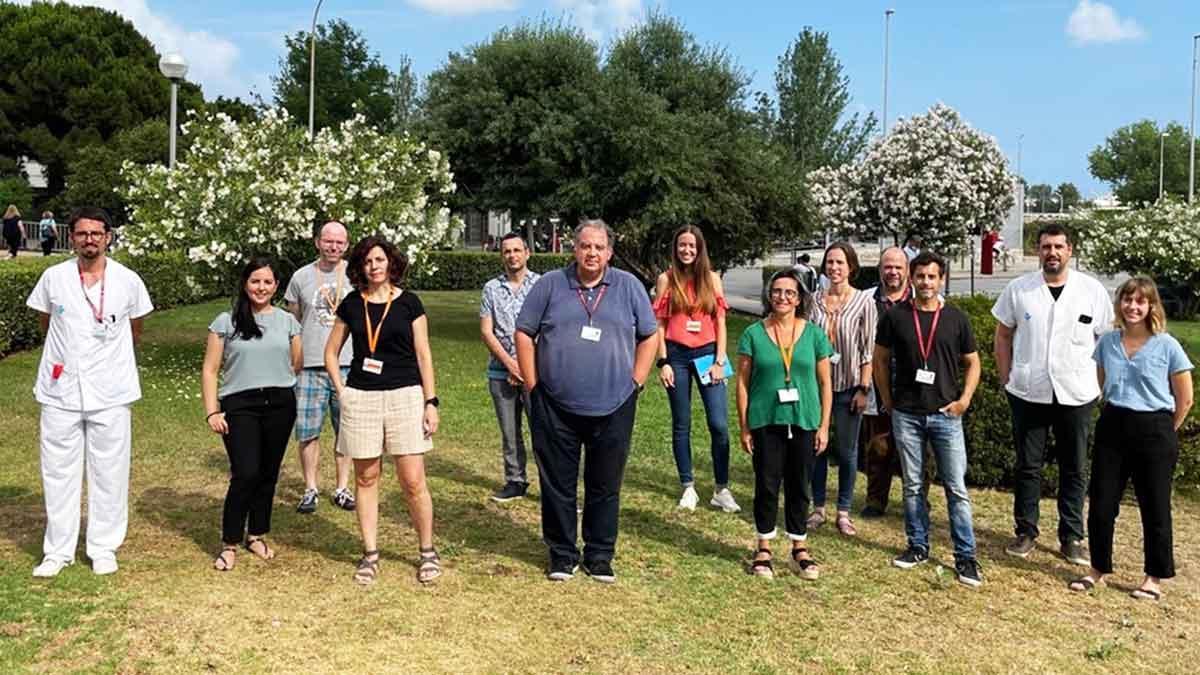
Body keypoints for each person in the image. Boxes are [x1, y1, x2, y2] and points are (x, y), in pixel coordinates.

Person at [515, 219, 657, 584]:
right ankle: (562, 553)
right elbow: (524, 332)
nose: (591, 253)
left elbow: (649, 336)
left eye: (599, 247)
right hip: (555, 406)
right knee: (557, 484)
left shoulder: (629, 286)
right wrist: (533, 386)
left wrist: (636, 383)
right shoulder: (549, 285)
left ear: (609, 252)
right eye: (585, 246)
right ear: (573, 249)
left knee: (605, 483)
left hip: (614, 405)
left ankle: (599, 554)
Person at [25, 206, 153, 577]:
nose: (90, 240)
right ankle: (57, 550)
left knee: (110, 470)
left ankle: (103, 546)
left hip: (111, 389)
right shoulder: (53, 277)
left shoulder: (128, 280)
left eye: (97, 233)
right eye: (82, 234)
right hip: (60, 389)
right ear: (71, 238)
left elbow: (136, 329)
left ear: (108, 237)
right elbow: (47, 323)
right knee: (58, 471)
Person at [324, 235, 442, 585]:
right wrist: (342, 392)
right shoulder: (351, 304)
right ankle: (370, 554)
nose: (374, 267)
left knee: (412, 480)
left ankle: (426, 551)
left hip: (406, 396)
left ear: (390, 262)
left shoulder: (409, 303)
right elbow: (331, 352)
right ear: (360, 267)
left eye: (379, 260)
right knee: (366, 478)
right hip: (362, 397)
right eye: (367, 262)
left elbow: (424, 355)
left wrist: (430, 402)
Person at [993, 223, 1112, 565]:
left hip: (1077, 394)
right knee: (1028, 466)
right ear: (1038, 251)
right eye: (1046, 247)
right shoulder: (1020, 289)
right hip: (1029, 392)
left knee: (1074, 467)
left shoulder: (1091, 291)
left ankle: (1071, 536)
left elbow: (1105, 343)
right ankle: (1026, 531)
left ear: (1070, 250)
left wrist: (1102, 386)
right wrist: (1006, 377)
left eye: (1059, 246)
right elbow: (1003, 335)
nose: (1052, 253)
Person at [1069, 278, 1193, 600]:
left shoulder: (1167, 346)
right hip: (1114, 424)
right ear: (1119, 304)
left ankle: (1154, 577)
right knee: (1101, 503)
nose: (1133, 307)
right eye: (1127, 300)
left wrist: (1166, 429)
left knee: (1154, 507)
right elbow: (1103, 381)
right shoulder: (1108, 343)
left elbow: (1185, 399)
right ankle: (1098, 569)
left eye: (1140, 301)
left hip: (1155, 430)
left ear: (1151, 306)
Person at [873, 251, 984, 587]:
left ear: (941, 280)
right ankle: (917, 545)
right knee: (913, 485)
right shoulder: (896, 317)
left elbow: (974, 363)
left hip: (945, 415)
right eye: (919, 276)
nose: (925, 282)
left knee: (955, 487)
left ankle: (966, 557)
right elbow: (879, 360)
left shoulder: (956, 318)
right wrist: (889, 401)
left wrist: (964, 400)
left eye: (932, 277)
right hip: (907, 414)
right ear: (911, 278)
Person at [201, 258, 301, 571]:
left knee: (268, 473)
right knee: (245, 473)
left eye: (268, 282)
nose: (261, 288)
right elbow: (210, 369)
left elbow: (295, 364)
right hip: (239, 404)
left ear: (276, 286)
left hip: (280, 404)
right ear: (246, 283)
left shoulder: (288, 322)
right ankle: (229, 541)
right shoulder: (225, 322)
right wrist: (212, 411)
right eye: (255, 281)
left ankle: (256, 534)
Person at [736, 269, 832, 580]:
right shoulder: (753, 334)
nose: (782, 297)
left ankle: (798, 548)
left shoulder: (815, 335)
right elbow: (742, 382)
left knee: (799, 484)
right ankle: (763, 547)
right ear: (769, 295)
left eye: (789, 292)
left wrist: (824, 425)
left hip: (804, 419)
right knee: (766, 484)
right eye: (776, 291)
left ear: (800, 298)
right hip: (766, 419)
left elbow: (825, 383)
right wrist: (745, 425)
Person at [653, 225, 739, 513]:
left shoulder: (712, 279)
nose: (687, 250)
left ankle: (721, 488)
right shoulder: (666, 279)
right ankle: (688, 486)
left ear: (700, 249)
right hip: (676, 355)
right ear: (675, 248)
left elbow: (721, 323)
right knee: (682, 422)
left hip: (707, 354)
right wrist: (663, 362)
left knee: (719, 425)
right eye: (682, 246)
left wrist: (718, 361)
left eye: (692, 246)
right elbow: (660, 324)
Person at [285, 221, 356, 514]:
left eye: (340, 243)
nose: (334, 247)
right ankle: (310, 488)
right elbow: (294, 323)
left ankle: (342, 487)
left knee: (347, 431)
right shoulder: (300, 277)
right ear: (317, 242)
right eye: (328, 241)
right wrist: (295, 361)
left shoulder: (356, 274)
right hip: (310, 366)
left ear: (347, 245)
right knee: (308, 431)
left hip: (349, 365)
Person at [806, 242, 876, 535]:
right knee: (817, 448)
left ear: (851, 267)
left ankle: (843, 510)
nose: (834, 268)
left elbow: (868, 348)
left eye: (840, 263)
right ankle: (818, 507)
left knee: (847, 452)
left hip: (849, 387)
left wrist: (864, 388)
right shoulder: (812, 301)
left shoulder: (863, 302)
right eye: (830, 262)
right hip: (816, 386)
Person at [479, 232, 542, 502]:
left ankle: (553, 486)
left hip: (536, 373)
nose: (512, 256)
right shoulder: (491, 288)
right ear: (501, 255)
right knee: (509, 432)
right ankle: (515, 480)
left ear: (527, 253)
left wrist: (525, 366)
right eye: (507, 251)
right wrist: (511, 364)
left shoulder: (541, 285)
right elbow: (486, 331)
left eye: (517, 250)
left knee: (543, 431)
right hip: (500, 371)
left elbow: (548, 327)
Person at [860, 247, 916, 517]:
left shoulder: (925, 298)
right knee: (878, 445)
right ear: (880, 269)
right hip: (877, 379)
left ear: (907, 270)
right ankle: (875, 500)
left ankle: (917, 502)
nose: (892, 272)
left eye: (898, 267)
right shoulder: (865, 299)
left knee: (916, 447)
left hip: (913, 384)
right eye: (887, 267)